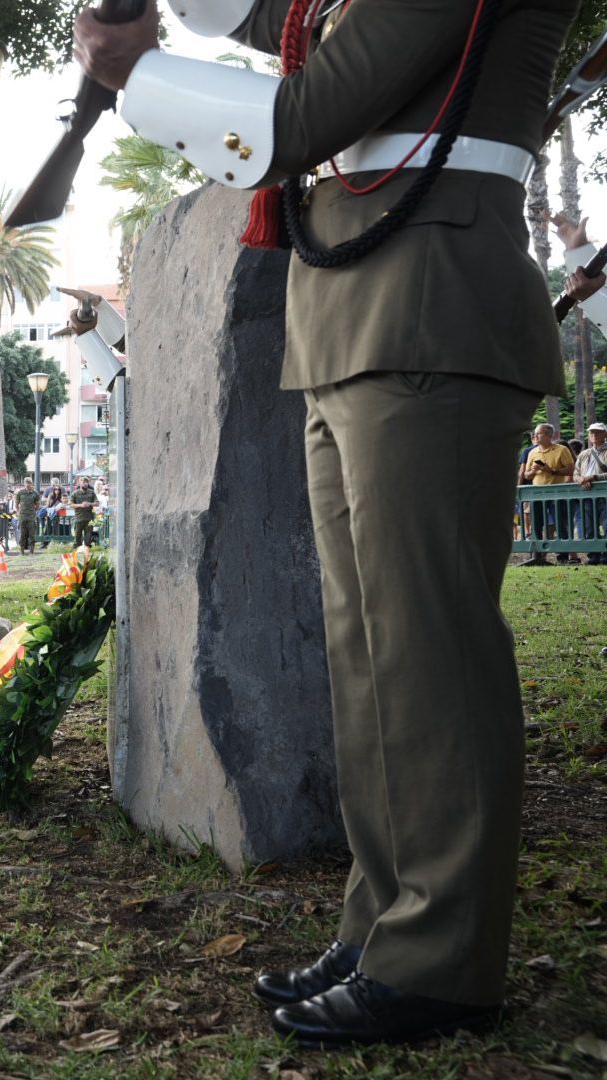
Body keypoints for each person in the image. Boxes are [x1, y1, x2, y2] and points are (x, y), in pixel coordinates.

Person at [77, 0, 574, 1048]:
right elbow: (291, 24)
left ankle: (438, 959)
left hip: (426, 303)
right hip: (358, 310)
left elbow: (306, 113)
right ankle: (386, 924)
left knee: (424, 657)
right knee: (367, 663)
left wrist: (141, 75)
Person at [520, 423, 574, 565]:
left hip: (557, 492)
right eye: (535, 433)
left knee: (561, 525)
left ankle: (562, 556)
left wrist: (552, 470)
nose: (536, 436)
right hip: (537, 494)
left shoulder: (562, 450)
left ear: (550, 435)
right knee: (536, 525)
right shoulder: (532, 452)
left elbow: (570, 470)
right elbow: (526, 475)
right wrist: (534, 470)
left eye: (539, 433)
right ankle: (536, 556)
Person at [575, 422, 607, 564]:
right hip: (586, 494)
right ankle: (593, 556)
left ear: (605, 434)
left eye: (598, 432)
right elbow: (575, 473)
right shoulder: (584, 454)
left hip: (604, 494)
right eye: (591, 432)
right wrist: (581, 479)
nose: (594, 435)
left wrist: (594, 478)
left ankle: (605, 556)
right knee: (589, 526)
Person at [70, 478, 98, 549]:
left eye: (86, 482)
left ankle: (86, 548)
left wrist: (89, 504)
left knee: (88, 535)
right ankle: (77, 548)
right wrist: (80, 505)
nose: (85, 483)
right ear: (79, 483)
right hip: (79, 517)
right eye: (83, 482)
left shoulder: (92, 492)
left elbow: (97, 503)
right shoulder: (75, 493)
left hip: (89, 517)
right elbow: (71, 504)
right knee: (77, 535)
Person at [15, 478, 40, 553]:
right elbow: (16, 504)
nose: (28, 484)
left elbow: (37, 505)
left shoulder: (35, 493)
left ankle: (31, 551)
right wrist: (19, 511)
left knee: (32, 534)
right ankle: (22, 551)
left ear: (32, 483)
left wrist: (33, 511)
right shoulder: (20, 493)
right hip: (22, 516)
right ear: (24, 484)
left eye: (29, 483)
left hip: (31, 516)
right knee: (22, 534)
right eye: (26, 483)